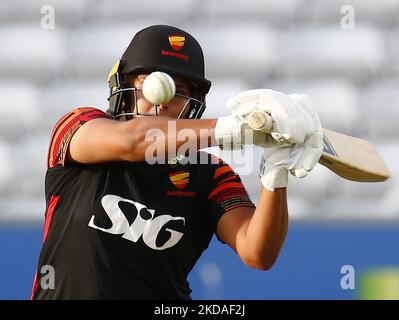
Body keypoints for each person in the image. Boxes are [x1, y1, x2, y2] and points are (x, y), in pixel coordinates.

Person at [31, 25, 323, 299]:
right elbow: (135, 142)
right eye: (149, 84)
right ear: (123, 89)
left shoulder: (210, 173)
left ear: (193, 104)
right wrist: (240, 129)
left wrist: (275, 171)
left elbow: (258, 252)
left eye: (179, 92)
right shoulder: (80, 125)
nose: (163, 100)